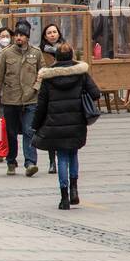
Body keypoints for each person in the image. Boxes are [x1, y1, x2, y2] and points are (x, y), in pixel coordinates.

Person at [32, 43, 100, 209]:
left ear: (56, 57)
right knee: (73, 154)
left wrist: (36, 124)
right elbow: (96, 93)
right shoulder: (81, 74)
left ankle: (64, 198)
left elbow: (41, 104)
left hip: (55, 123)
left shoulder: (48, 78)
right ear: (71, 56)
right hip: (76, 122)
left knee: (61, 157)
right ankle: (74, 190)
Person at [0, 22, 42, 176]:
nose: (18, 38)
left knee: (29, 131)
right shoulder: (6, 53)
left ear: (27, 37)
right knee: (11, 133)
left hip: (30, 100)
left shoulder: (36, 53)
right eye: (16, 35)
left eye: (22, 35)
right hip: (10, 100)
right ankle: (11, 161)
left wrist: (35, 89)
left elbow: (42, 74)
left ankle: (30, 163)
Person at [38, 23, 65, 173]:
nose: (53, 34)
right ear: (45, 36)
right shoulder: (41, 52)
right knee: (51, 130)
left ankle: (64, 159)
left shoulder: (67, 49)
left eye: (55, 32)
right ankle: (52, 162)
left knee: (64, 130)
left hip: (66, 92)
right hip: (49, 93)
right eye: (49, 33)